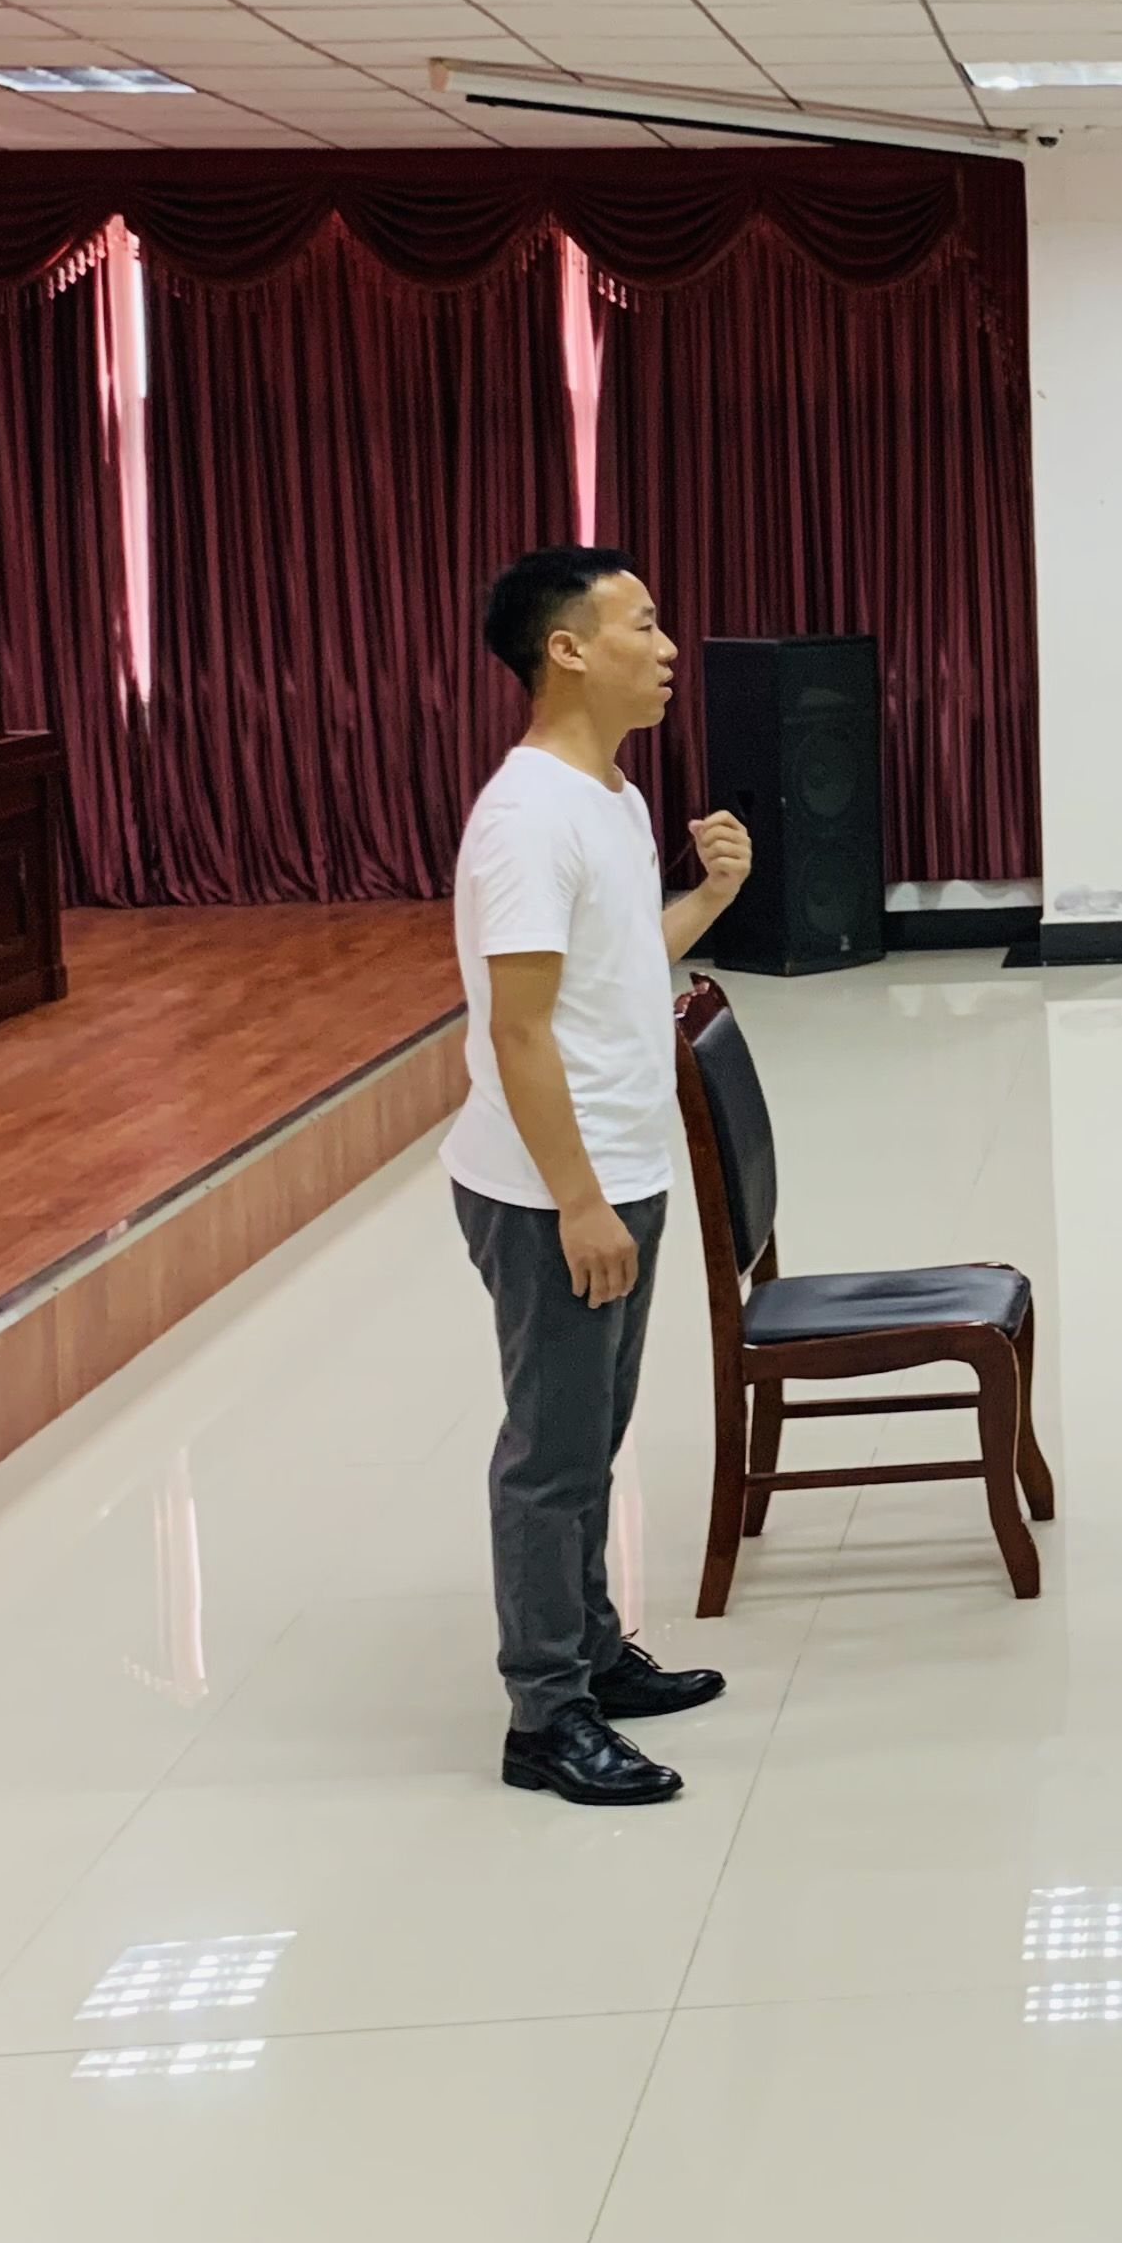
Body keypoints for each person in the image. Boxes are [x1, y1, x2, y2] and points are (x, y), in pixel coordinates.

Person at [446, 545, 755, 1809]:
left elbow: (620, 968)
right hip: (549, 1190)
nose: (670, 648)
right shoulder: (527, 820)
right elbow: (519, 1030)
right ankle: (546, 1715)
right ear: (567, 649)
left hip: (619, 1164)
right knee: (553, 1457)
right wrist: (578, 1200)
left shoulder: (612, 798)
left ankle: (589, 1650)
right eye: (643, 624)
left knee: (594, 1435)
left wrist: (712, 895)